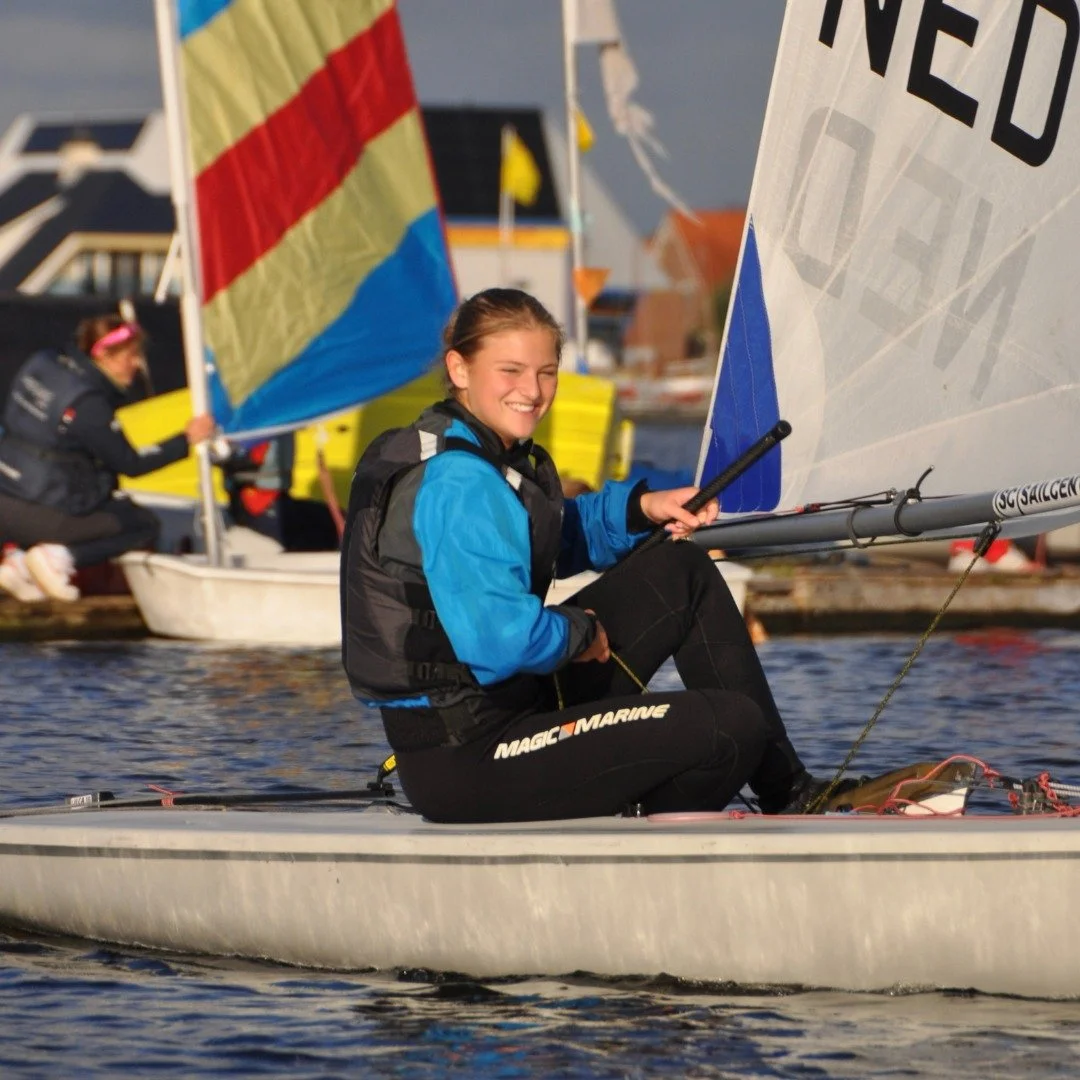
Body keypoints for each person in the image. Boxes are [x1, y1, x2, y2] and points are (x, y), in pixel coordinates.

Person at [341, 288, 834, 824]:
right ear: (459, 369)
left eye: (546, 372)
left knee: (680, 569)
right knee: (730, 726)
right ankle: (637, 822)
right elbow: (501, 642)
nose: (532, 391)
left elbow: (552, 534)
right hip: (469, 761)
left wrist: (642, 509)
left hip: (518, 709)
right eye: (510, 371)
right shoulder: (459, 481)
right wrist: (580, 633)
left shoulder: (483, 453)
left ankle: (792, 794)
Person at [0, 315, 214, 602]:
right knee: (142, 524)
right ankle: (57, 557)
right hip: (39, 513)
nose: (138, 364)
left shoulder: (41, 364)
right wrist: (186, 439)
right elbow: (131, 463)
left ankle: (17, 565)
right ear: (103, 355)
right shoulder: (87, 405)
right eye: (131, 355)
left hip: (5, 500)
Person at [218, 433, 340, 552]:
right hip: (255, 506)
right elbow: (228, 455)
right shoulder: (253, 429)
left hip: (277, 499)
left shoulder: (273, 423)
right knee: (314, 535)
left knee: (338, 520)